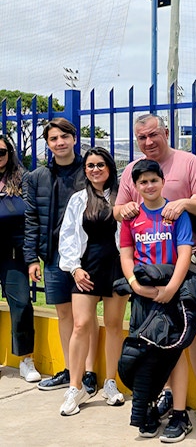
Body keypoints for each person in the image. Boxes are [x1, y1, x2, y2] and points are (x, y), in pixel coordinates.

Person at [114, 113, 196, 429]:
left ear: (166, 132)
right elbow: (119, 210)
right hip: (149, 266)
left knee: (195, 329)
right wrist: (126, 209)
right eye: (141, 138)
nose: (148, 142)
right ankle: (169, 394)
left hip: (186, 260)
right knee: (156, 332)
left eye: (153, 135)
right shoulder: (133, 171)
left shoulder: (188, 163)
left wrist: (184, 203)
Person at [23, 118, 99, 394]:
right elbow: (31, 220)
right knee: (64, 315)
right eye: (53, 139)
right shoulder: (37, 178)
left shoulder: (89, 170)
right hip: (54, 256)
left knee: (85, 317)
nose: (60, 143)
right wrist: (32, 258)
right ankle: (70, 370)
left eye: (64, 137)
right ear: (48, 143)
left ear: (74, 139)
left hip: (87, 256)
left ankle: (89, 373)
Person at [119, 159, 194, 441]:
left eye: (153, 180)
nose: (148, 186)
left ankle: (178, 414)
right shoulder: (131, 217)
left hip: (172, 293)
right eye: (142, 182)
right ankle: (148, 408)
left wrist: (172, 289)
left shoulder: (176, 214)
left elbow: (184, 253)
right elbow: (126, 254)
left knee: (175, 351)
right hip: (143, 294)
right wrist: (135, 285)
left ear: (163, 181)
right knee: (145, 354)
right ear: (135, 187)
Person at [58, 147, 128, 416]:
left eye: (100, 165)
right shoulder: (78, 200)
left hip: (117, 268)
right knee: (81, 325)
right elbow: (68, 237)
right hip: (86, 268)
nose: (95, 169)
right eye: (90, 166)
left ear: (109, 167)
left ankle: (110, 382)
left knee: (113, 325)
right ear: (85, 170)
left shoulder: (121, 197)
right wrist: (74, 268)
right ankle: (75, 387)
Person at [0, 134, 41, 383]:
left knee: (22, 305)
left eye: (1, 152)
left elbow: (30, 219)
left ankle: (26, 359)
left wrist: (30, 255)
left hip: (13, 254)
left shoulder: (21, 178)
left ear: (9, 153)